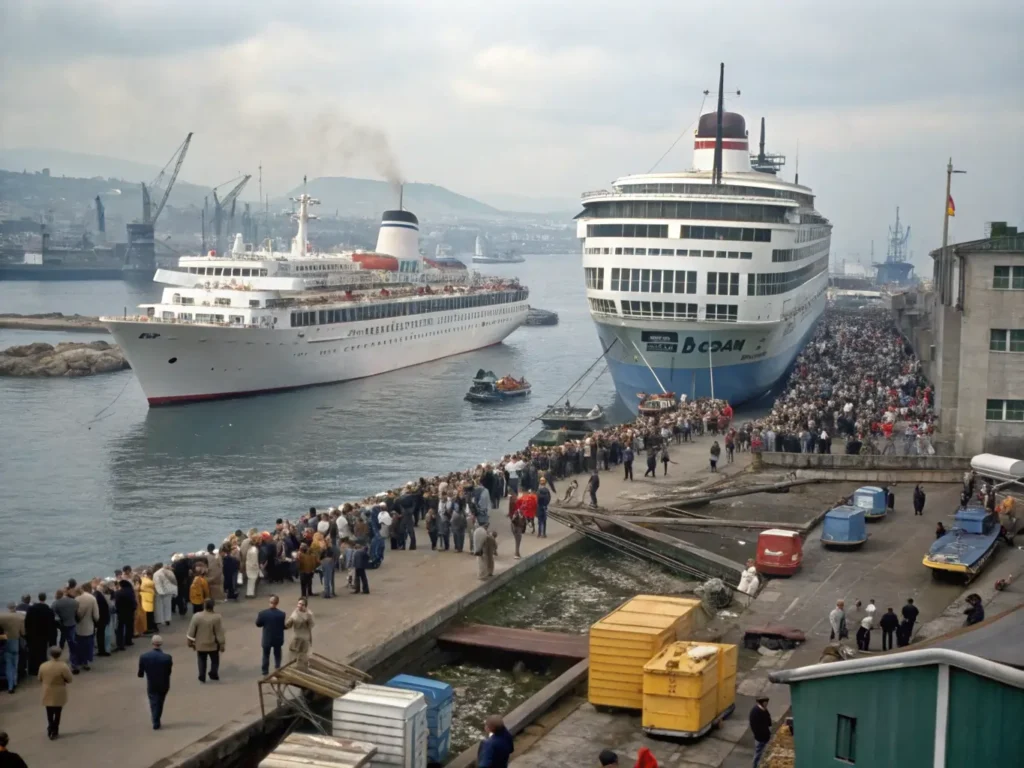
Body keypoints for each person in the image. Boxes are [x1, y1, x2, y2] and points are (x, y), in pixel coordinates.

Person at [137, 635, 173, 730]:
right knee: (160, 702)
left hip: (151, 683)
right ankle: (157, 719)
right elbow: (169, 672)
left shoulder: (144, 657)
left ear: (152, 643)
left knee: (153, 702)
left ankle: (155, 720)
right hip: (164, 683)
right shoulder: (167, 658)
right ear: (161, 644)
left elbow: (140, 673)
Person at [186, 599, 226, 683]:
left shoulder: (197, 616)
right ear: (213, 606)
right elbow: (219, 632)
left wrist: (190, 642)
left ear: (204, 605)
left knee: (201, 660)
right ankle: (213, 673)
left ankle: (202, 675)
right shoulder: (216, 617)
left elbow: (191, 631)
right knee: (215, 660)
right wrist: (222, 644)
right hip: (213, 644)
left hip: (200, 644)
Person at [38, 646, 72, 740]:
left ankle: (50, 726)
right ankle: (55, 729)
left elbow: (39, 678)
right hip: (59, 691)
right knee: (58, 712)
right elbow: (69, 679)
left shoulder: (43, 665)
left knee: (49, 711)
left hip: (47, 691)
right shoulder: (63, 666)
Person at [25, 593, 56, 676]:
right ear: (45, 599)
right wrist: (51, 638)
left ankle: (33, 670)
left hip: (33, 634)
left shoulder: (31, 609)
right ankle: (42, 669)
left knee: (33, 652)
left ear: (38, 598)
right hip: (44, 635)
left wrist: (27, 634)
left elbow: (27, 622)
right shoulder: (49, 610)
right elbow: (51, 625)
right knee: (42, 652)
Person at [255, 595, 287, 675]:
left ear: (269, 602)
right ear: (277, 603)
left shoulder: (262, 614)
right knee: (277, 654)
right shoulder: (282, 614)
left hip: (267, 638)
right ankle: (277, 668)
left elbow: (258, 624)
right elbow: (283, 626)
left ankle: (265, 671)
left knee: (266, 655)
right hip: (278, 638)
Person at [73, 585, 99, 671]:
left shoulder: (76, 600)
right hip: (89, 626)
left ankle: (78, 662)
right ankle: (86, 662)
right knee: (88, 645)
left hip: (78, 627)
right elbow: (96, 616)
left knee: (79, 645)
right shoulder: (92, 598)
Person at [0, 605, 24, 693]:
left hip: (6, 645)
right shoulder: (19, 617)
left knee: (9, 666)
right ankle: (14, 682)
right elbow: (23, 632)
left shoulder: (3, 620)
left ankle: (10, 685)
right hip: (15, 642)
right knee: (14, 664)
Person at [285, 598, 314, 668]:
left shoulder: (309, 614)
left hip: (304, 639)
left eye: (302, 604)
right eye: (299, 604)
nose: (300, 606)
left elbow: (311, 625)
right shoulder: (295, 612)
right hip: (296, 638)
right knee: (293, 655)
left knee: (303, 656)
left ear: (305, 606)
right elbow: (288, 624)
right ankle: (294, 669)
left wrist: (307, 619)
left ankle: (301, 669)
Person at [114, 579, 137, 651]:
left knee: (120, 629)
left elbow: (116, 603)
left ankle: (120, 645)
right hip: (130, 612)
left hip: (121, 613)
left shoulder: (118, 593)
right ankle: (128, 641)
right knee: (129, 626)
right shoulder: (131, 592)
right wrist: (134, 609)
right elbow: (134, 602)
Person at [749, 696, 772, 767]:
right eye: (766, 703)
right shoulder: (756, 712)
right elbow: (755, 726)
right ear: (763, 703)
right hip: (761, 737)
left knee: (760, 752)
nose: (767, 704)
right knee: (758, 753)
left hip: (763, 736)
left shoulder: (762, 710)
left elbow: (768, 720)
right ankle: (755, 766)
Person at [153, 562, 177, 626]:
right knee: (168, 606)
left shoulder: (156, 573)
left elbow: (157, 583)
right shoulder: (170, 572)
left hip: (160, 591)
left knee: (159, 607)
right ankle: (167, 619)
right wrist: (175, 591)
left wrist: (159, 591)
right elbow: (174, 582)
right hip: (169, 591)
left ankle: (159, 620)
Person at [140, 569, 157, 635]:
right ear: (150, 575)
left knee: (146, 615)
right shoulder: (150, 582)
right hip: (149, 600)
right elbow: (153, 588)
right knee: (150, 615)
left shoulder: (141, 580)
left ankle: (146, 627)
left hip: (143, 599)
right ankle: (150, 628)